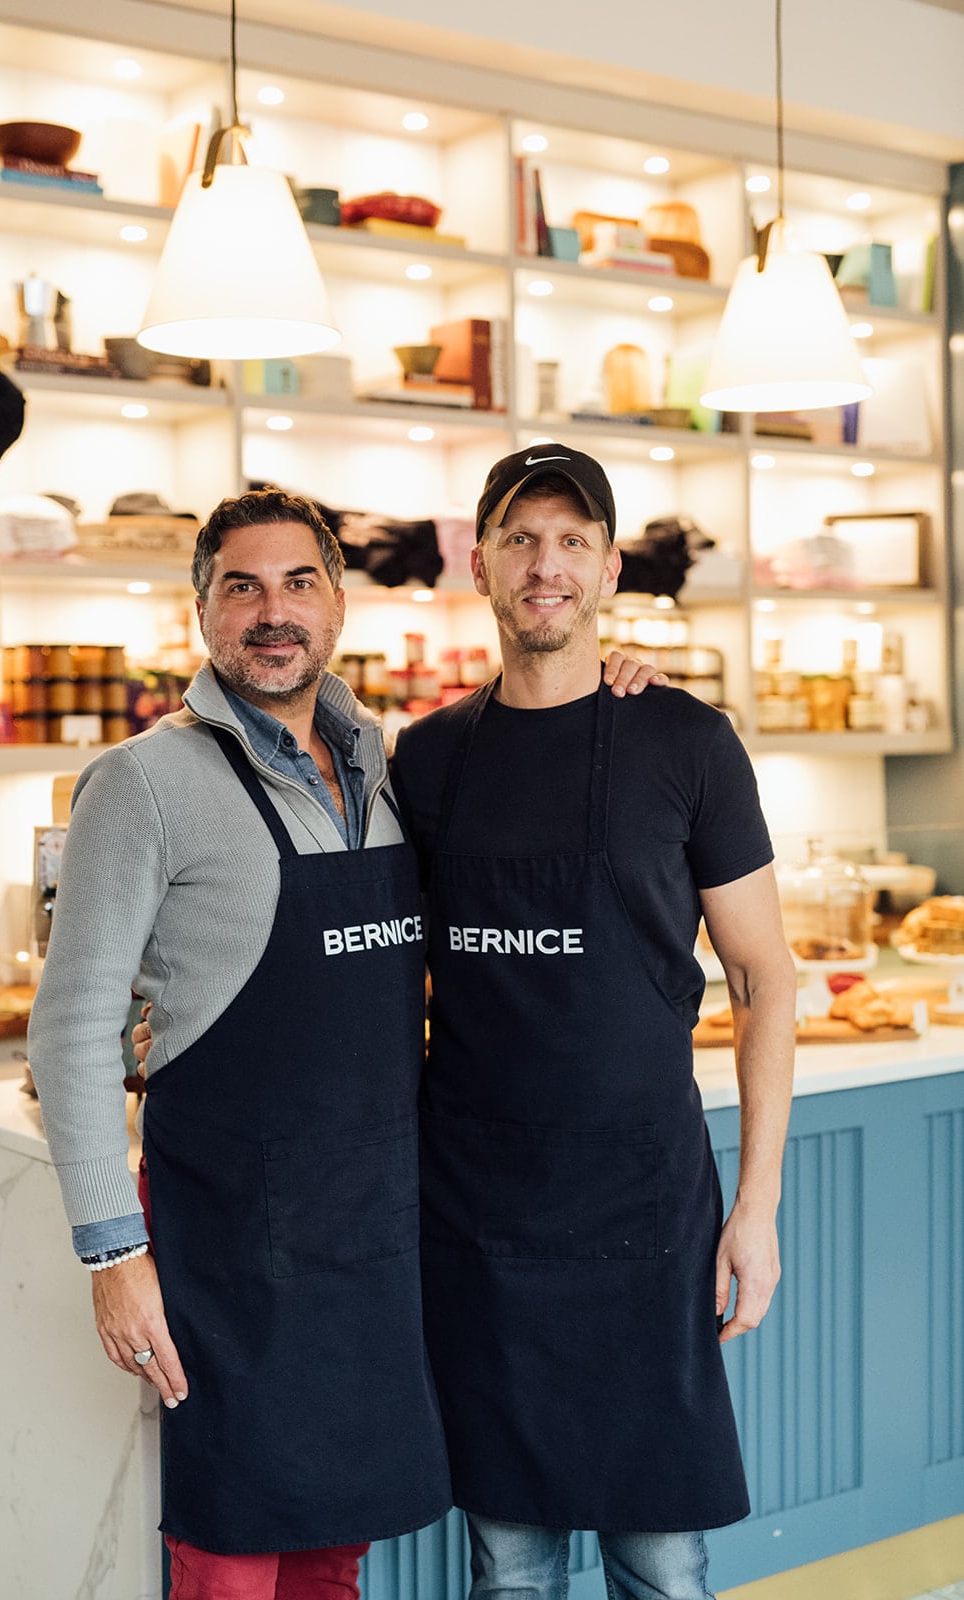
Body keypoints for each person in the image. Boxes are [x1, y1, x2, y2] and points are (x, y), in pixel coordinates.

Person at [29, 484, 660, 1600]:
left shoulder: (387, 765)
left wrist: (616, 687)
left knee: (333, 1555)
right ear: (202, 613)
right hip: (225, 1247)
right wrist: (113, 1257)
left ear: (337, 607)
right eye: (242, 587)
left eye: (299, 583)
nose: (272, 612)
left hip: (371, 1239)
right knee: (228, 1560)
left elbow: (530, 751)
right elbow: (71, 1031)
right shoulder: (141, 784)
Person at [388, 444, 797, 1600]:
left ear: (612, 569)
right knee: (507, 1567)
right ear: (479, 562)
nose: (545, 564)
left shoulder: (685, 742)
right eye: (519, 537)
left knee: (661, 1564)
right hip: (479, 1218)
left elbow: (766, 979)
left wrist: (755, 1208)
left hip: (642, 1214)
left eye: (572, 541)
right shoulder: (424, 759)